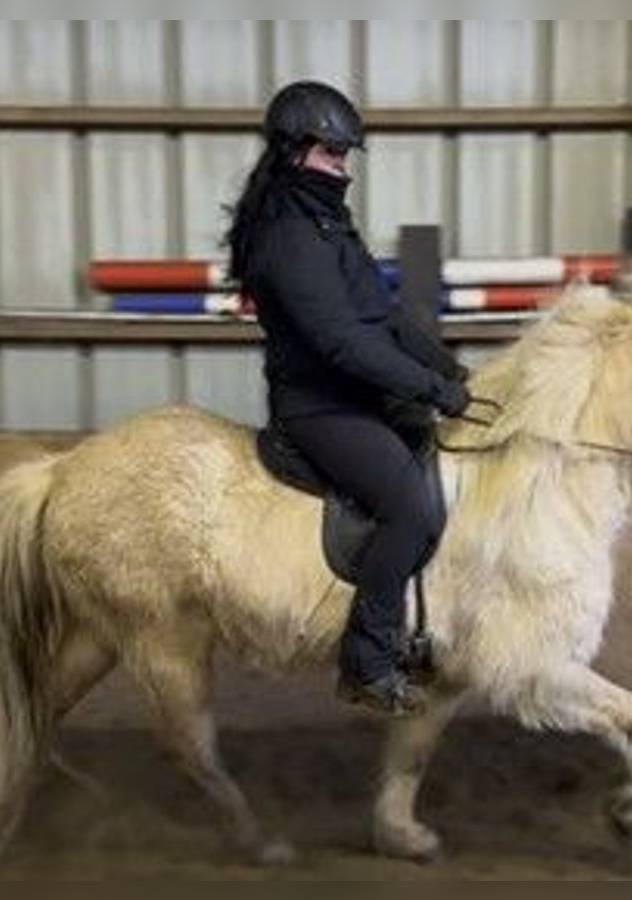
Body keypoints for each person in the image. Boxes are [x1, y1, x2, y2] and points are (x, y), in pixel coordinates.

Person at [224, 80, 472, 716]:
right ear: (293, 152)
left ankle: (416, 627)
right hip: (319, 408)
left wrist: (453, 372)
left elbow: (382, 316)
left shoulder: (326, 221)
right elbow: (340, 342)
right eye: (332, 154)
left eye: (345, 155)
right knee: (410, 508)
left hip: (357, 394)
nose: (343, 168)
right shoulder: (287, 237)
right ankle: (367, 661)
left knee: (444, 475)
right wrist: (428, 388)